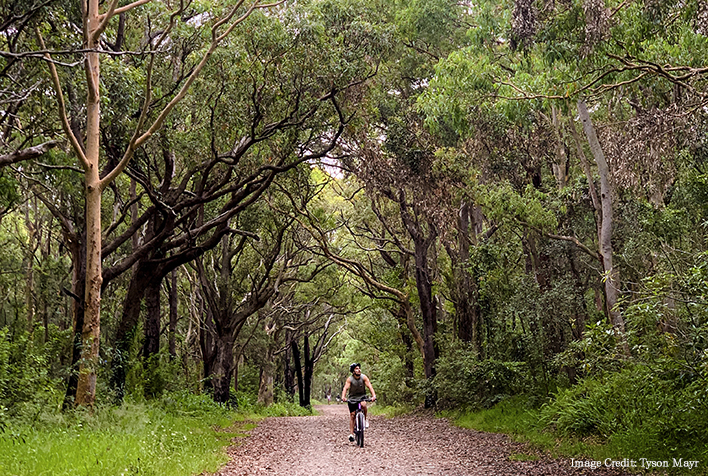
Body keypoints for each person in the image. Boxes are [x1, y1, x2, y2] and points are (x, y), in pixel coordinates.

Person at [341, 362, 376, 442]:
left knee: (363, 405)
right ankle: (351, 434)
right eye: (356, 369)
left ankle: (365, 420)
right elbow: (345, 388)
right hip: (352, 398)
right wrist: (343, 397)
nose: (359, 370)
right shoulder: (350, 379)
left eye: (359, 368)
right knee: (352, 415)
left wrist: (373, 395)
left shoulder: (364, 377)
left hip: (362, 396)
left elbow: (369, 386)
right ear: (353, 371)